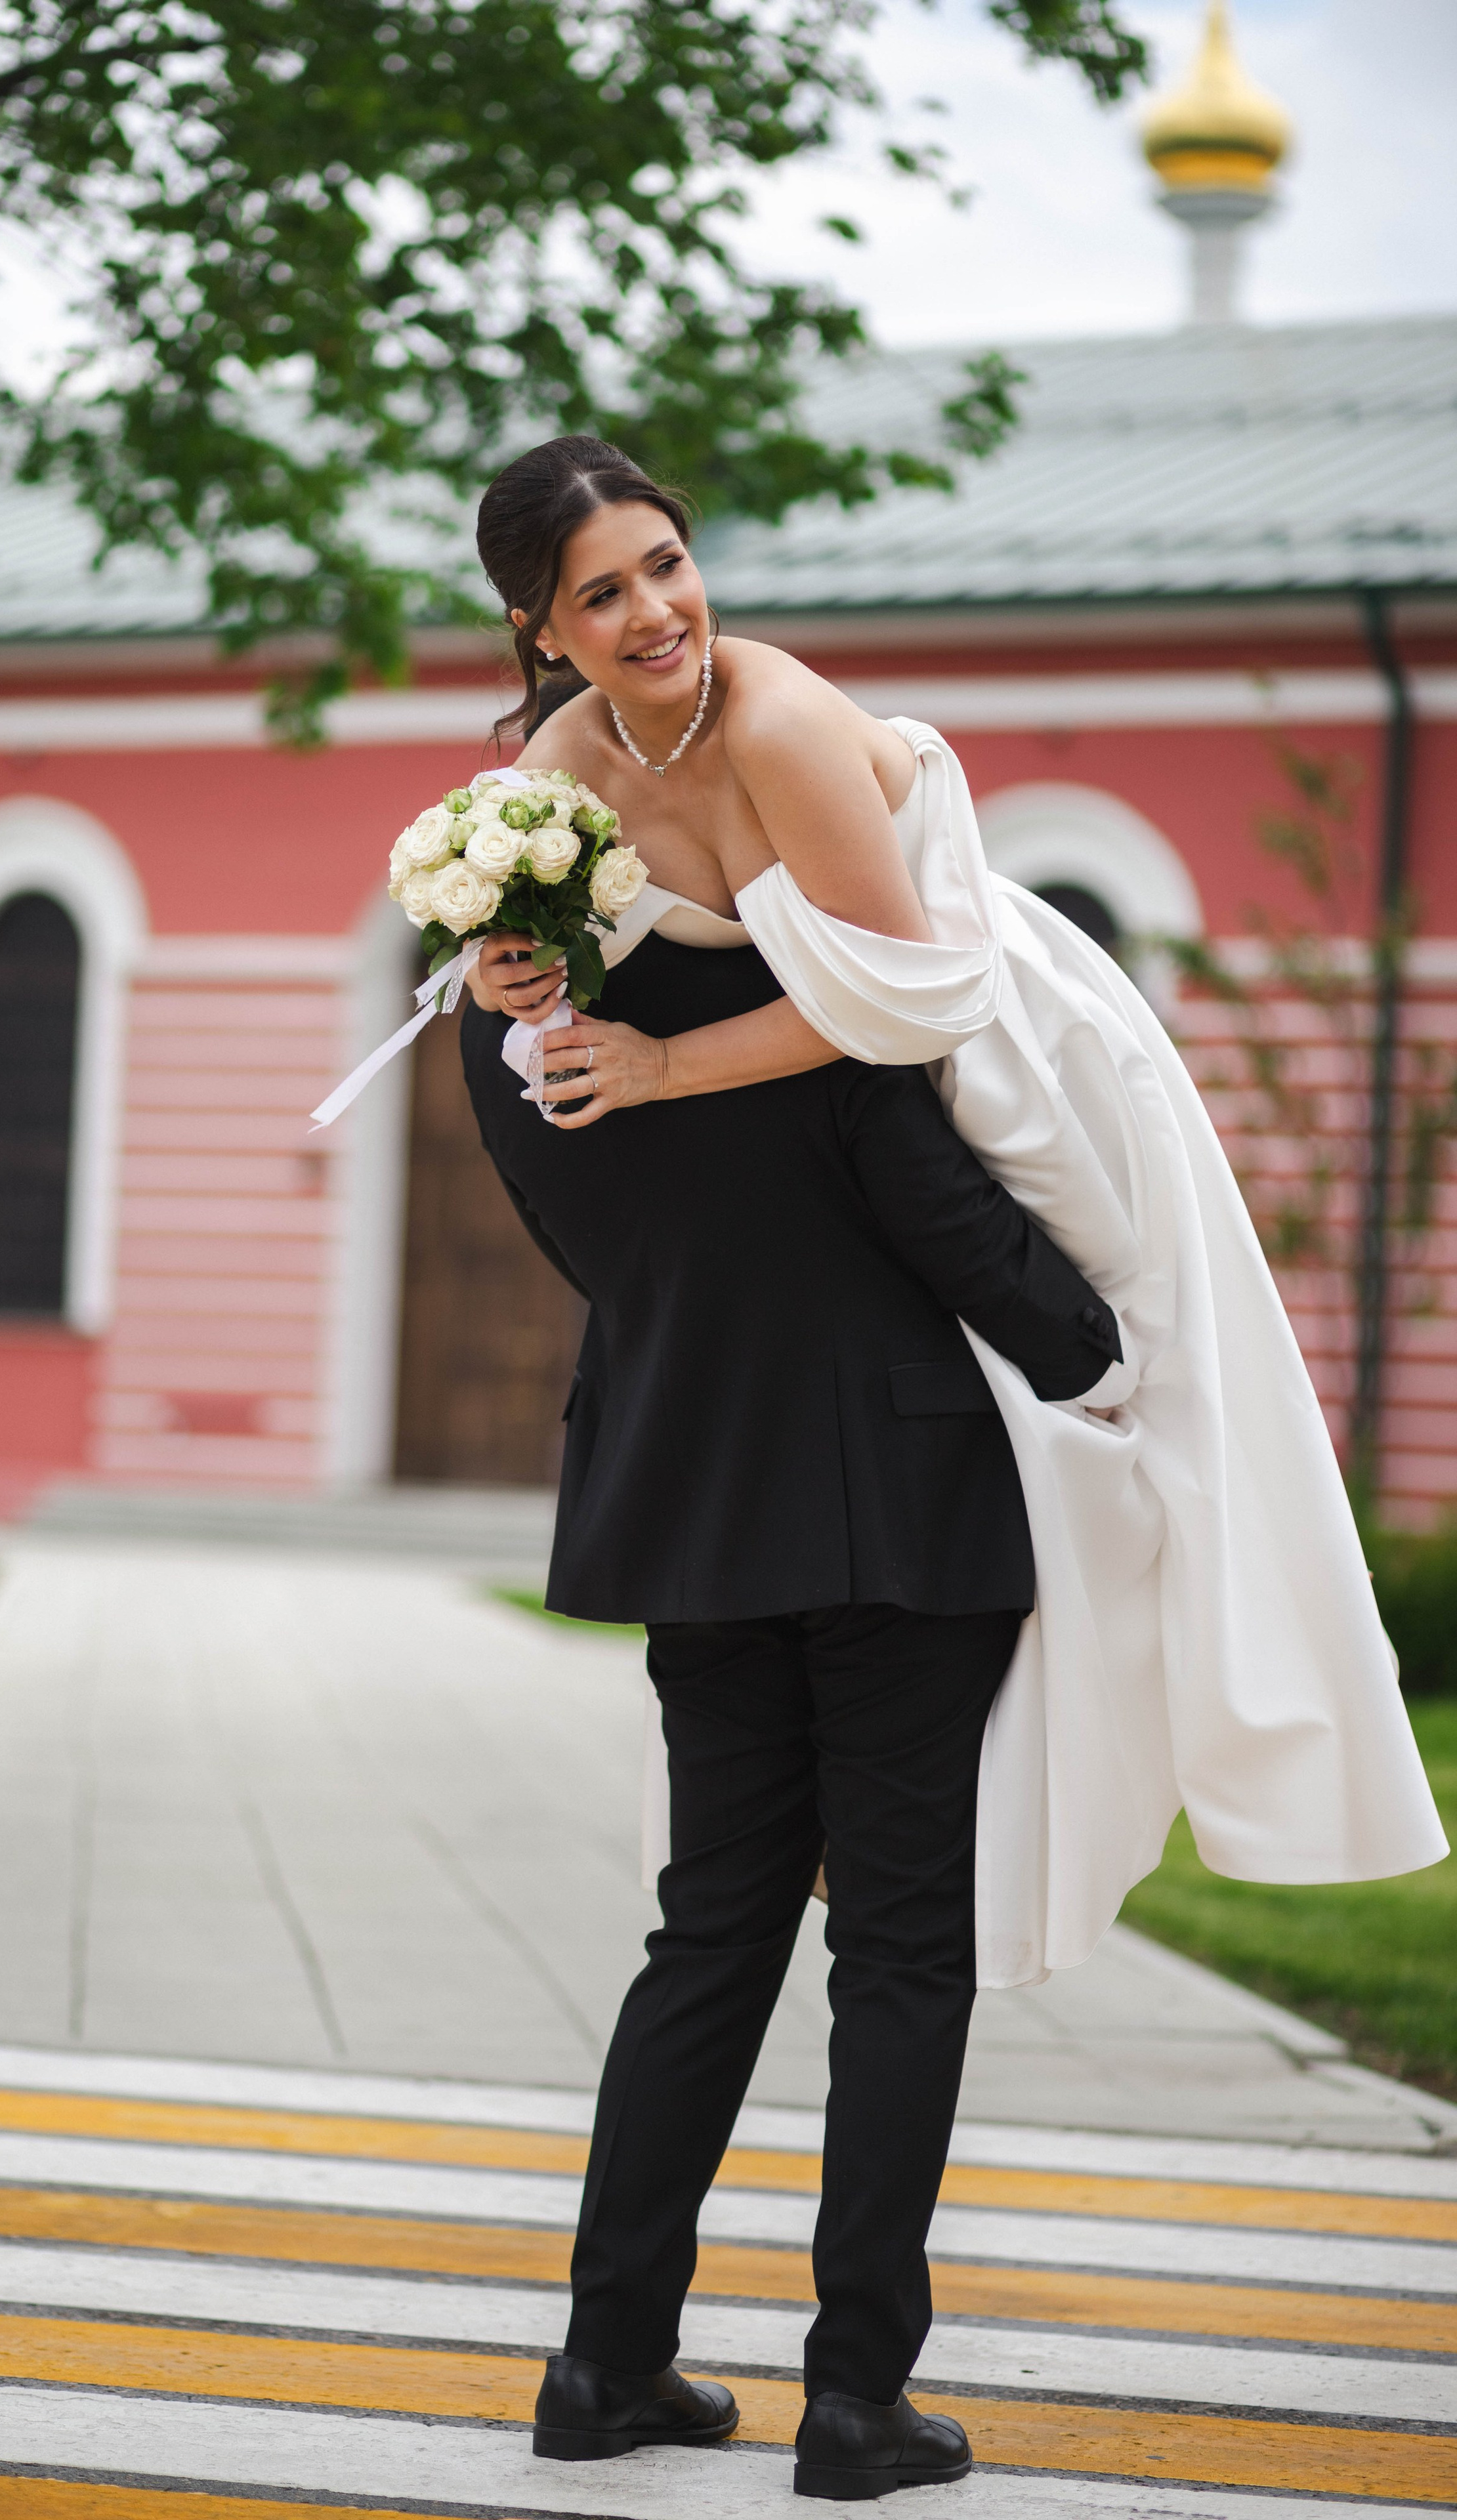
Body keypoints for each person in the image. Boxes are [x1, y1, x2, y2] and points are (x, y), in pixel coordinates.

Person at [459, 438, 1131, 2500]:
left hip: (691, 1488)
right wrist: (1099, 1343)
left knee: (709, 1933)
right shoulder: (826, 1015)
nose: (656, 606)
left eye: (666, 567)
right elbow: (959, 1225)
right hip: (906, 1507)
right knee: (898, 1952)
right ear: (545, 628)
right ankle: (856, 2399)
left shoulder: (550, 1046)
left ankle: (607, 2368)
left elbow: (570, 1222)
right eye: (609, 588)